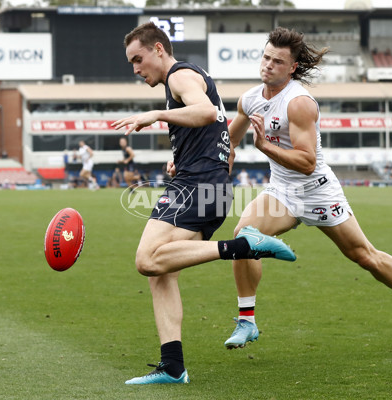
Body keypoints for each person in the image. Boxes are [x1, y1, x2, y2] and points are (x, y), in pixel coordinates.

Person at [224, 27, 392, 354]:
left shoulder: (299, 103)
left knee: (364, 257)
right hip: (281, 192)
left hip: (317, 191)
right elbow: (229, 140)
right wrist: (215, 168)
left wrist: (264, 147)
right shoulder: (250, 99)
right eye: (266, 57)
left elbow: (307, 162)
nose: (268, 65)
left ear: (292, 68)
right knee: (244, 237)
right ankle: (247, 320)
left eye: (277, 61)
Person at [111, 22, 296, 385]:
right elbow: (218, 130)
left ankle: (244, 245)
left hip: (195, 187)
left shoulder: (179, 76)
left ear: (159, 50)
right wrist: (189, 155)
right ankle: (173, 366)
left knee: (147, 260)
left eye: (138, 59)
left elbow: (208, 112)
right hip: (207, 183)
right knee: (162, 273)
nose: (135, 69)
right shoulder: (190, 76)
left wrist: (157, 115)